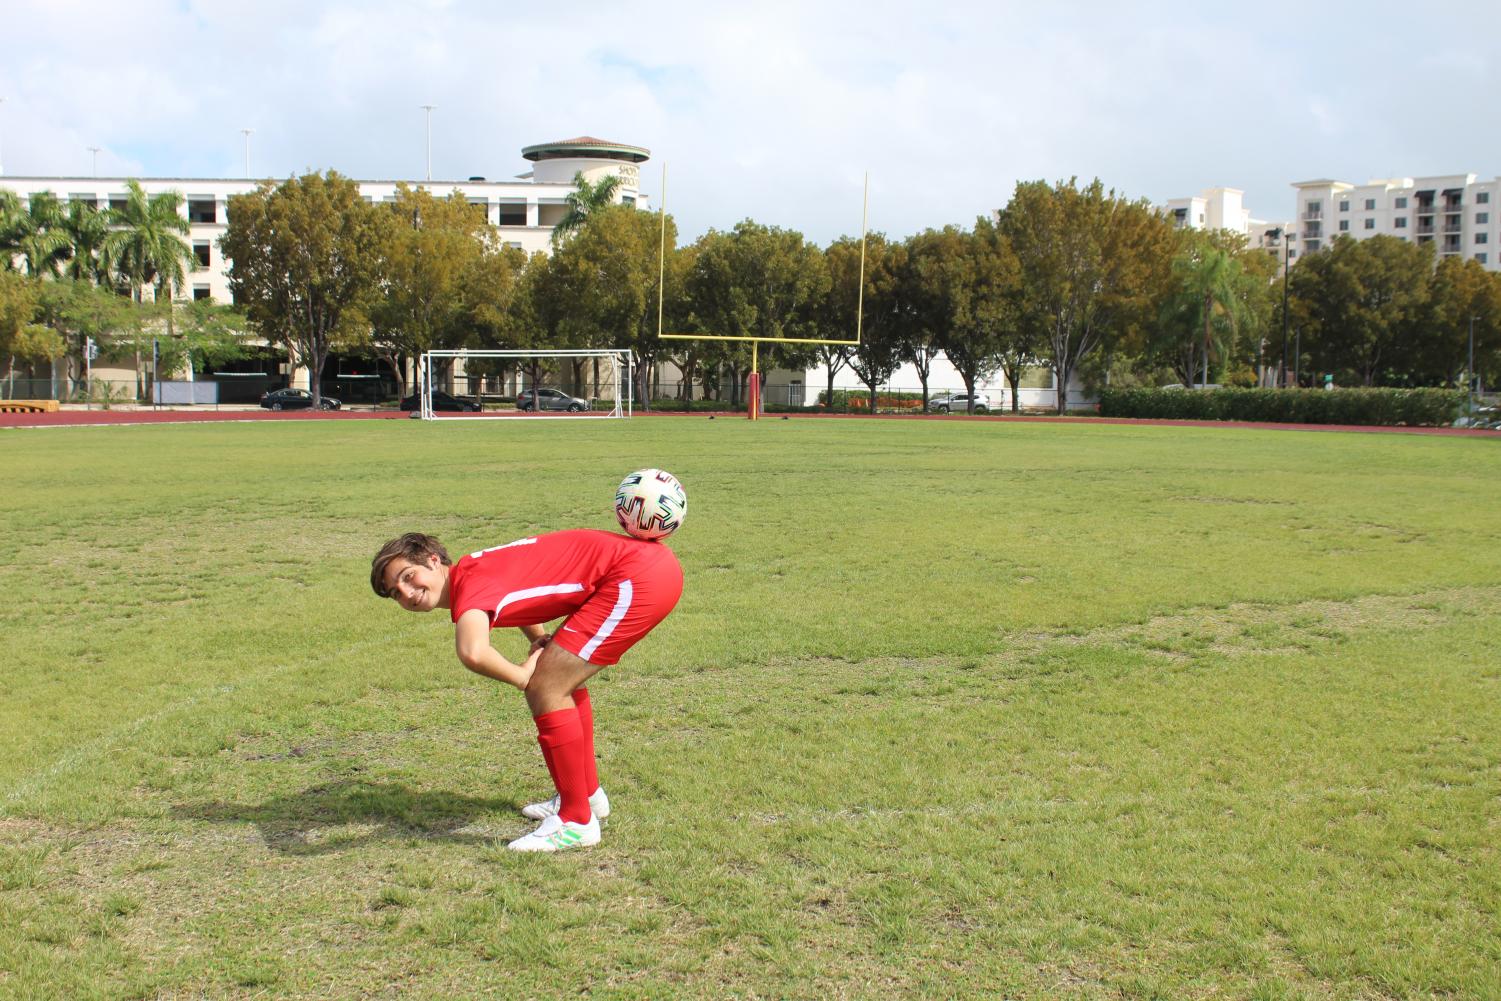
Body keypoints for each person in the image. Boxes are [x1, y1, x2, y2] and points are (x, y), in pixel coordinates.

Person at [370, 529, 683, 852]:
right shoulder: (473, 569)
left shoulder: (470, 588)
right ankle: (586, 796)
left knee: (547, 687)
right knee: (557, 677)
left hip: (639, 577)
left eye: (409, 576)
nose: (407, 593)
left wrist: (523, 678)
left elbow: (473, 652)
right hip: (643, 568)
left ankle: (576, 821)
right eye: (396, 593)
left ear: (433, 560)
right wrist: (538, 640)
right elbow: (518, 593)